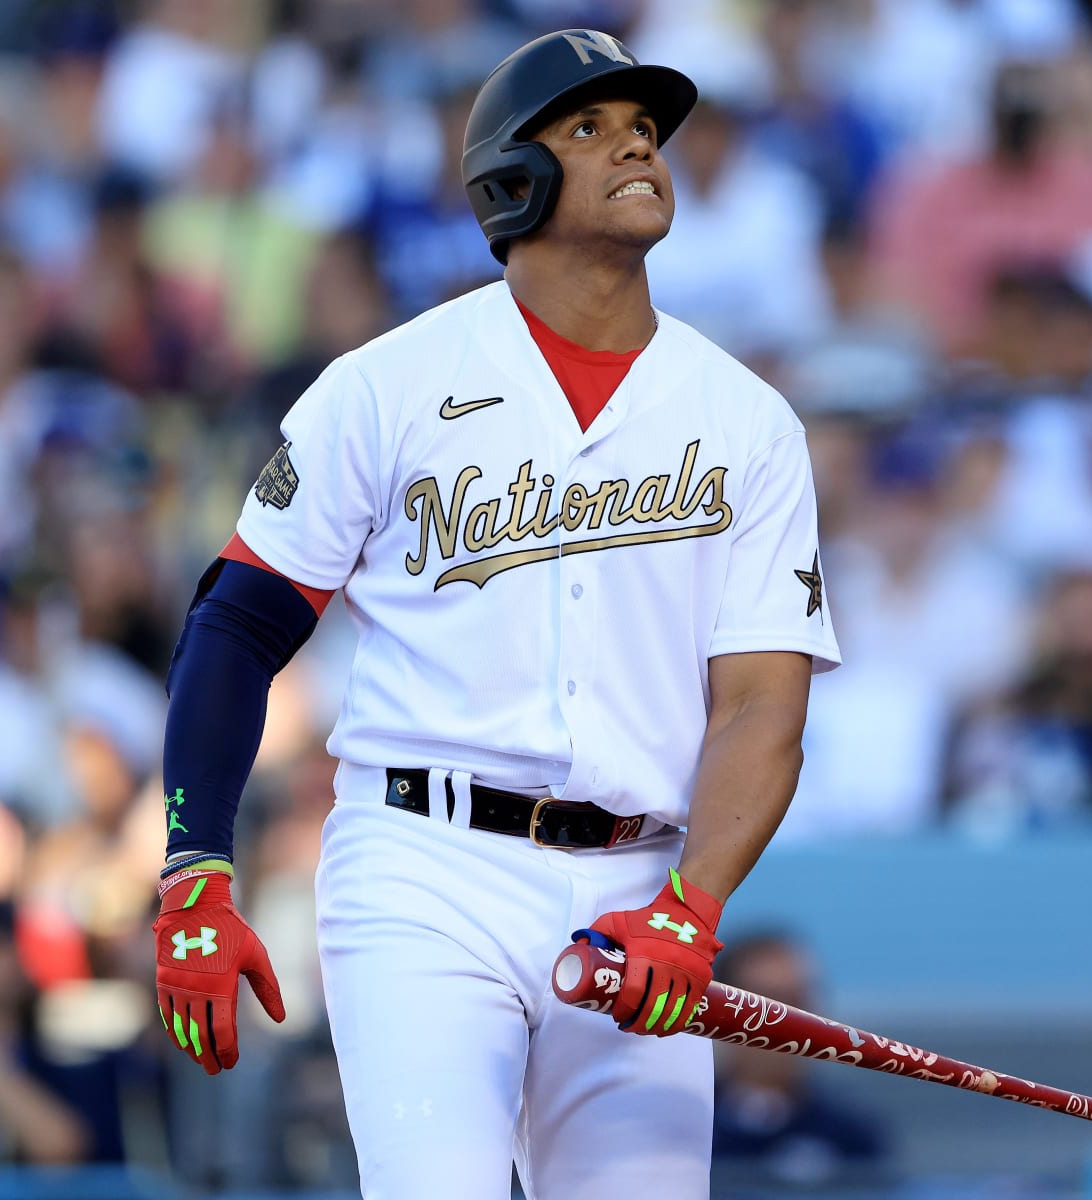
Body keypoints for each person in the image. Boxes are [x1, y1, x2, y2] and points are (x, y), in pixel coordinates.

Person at [149, 29, 839, 1200]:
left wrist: (693, 909)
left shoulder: (750, 419)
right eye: (590, 128)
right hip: (425, 870)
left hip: (639, 883)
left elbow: (765, 703)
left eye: (643, 128)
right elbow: (238, 625)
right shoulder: (386, 384)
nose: (634, 144)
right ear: (510, 181)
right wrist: (195, 866)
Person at [710, 933, 890, 1187]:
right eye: (766, 1005)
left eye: (798, 1002)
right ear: (720, 1015)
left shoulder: (851, 1134)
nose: (788, 1024)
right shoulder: (689, 1124)